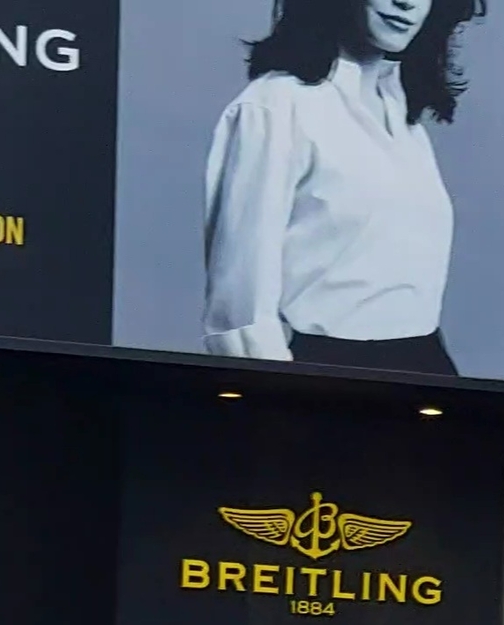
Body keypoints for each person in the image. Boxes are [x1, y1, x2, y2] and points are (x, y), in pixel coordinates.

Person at [203, 0, 484, 373]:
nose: (406, 2)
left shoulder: (400, 112)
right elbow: (241, 314)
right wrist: (277, 405)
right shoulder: (275, 106)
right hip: (327, 375)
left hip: (426, 368)